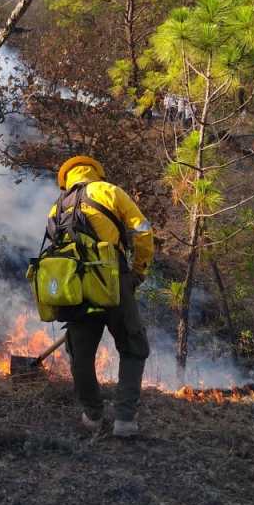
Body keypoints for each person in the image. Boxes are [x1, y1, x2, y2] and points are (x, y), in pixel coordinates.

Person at [49, 155, 154, 438]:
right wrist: (138, 271)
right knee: (133, 347)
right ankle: (124, 420)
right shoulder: (109, 191)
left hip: (76, 290)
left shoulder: (56, 207)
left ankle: (93, 415)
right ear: (95, 172)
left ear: (66, 179)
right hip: (113, 281)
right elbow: (143, 231)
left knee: (80, 354)